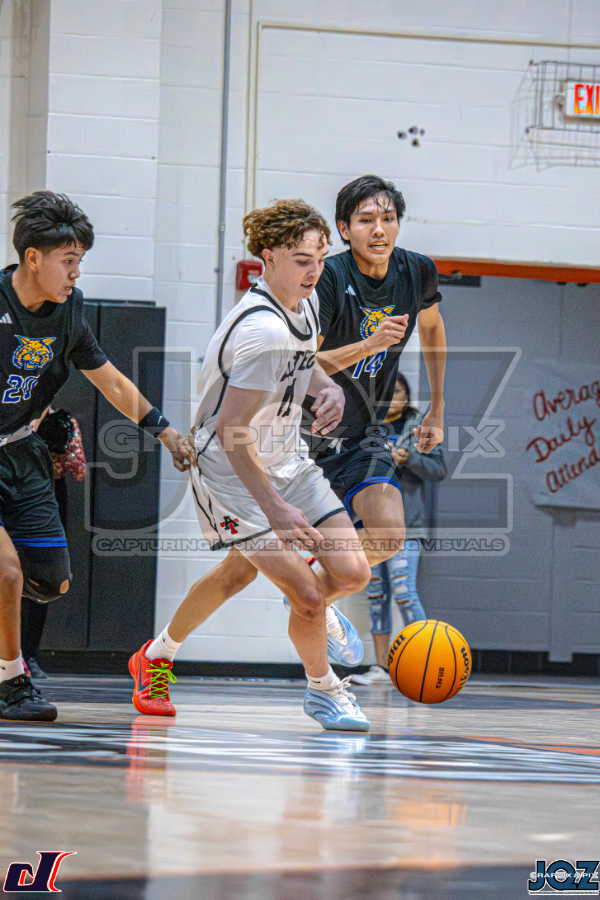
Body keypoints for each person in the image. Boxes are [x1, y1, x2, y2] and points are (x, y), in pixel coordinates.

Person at [129, 199, 373, 731]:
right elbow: (232, 432)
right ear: (269, 257)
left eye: (320, 259)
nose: (314, 271)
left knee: (349, 572)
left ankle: (154, 655)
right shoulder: (263, 331)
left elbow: (303, 366)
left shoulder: (304, 305)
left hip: (287, 456)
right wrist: (275, 509)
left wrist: (328, 389)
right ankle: (324, 689)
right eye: (302, 260)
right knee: (306, 594)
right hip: (230, 470)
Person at [0, 191, 192, 722]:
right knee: (7, 573)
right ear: (32, 258)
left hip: (19, 455)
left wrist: (166, 432)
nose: (76, 272)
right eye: (69, 260)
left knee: (49, 581)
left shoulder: (69, 313)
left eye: (80, 260)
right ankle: (11, 683)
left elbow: (110, 380)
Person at [303, 174, 446, 569]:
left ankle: (312, 580)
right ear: (344, 229)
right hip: (303, 436)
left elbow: (432, 326)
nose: (379, 229)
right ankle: (302, 580)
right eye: (366, 220)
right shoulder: (328, 277)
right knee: (240, 569)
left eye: (388, 218)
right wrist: (369, 345)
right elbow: (302, 364)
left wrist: (437, 407)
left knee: (388, 536)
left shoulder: (417, 271)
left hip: (364, 435)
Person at [351, 372, 447, 686]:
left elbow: (439, 470)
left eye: (399, 392)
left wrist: (409, 458)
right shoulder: (365, 427)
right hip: (369, 524)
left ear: (407, 397)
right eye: (387, 392)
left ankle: (424, 663)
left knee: (404, 592)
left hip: (408, 525)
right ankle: (381, 668)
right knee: (377, 594)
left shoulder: (420, 427)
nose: (393, 398)